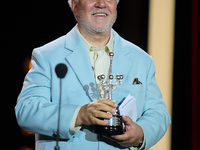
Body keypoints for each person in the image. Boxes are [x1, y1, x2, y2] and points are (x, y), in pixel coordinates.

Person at [15, 0, 171, 150]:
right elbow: (26, 110)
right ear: (75, 6)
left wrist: (140, 134)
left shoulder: (142, 59)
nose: (101, 4)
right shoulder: (47, 55)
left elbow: (158, 114)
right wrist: (80, 114)